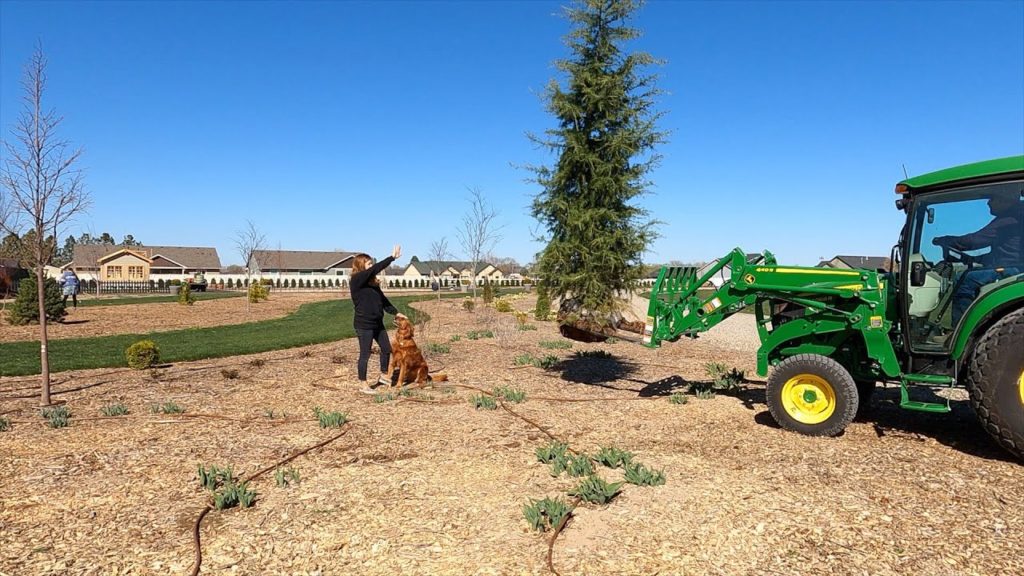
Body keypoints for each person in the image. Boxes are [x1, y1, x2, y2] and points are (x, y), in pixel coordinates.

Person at [932, 192, 1023, 326]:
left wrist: (945, 240)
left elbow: (973, 241)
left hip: (1015, 270)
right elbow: (1005, 254)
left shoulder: (1010, 218)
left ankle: (958, 329)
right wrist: (973, 259)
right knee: (970, 274)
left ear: (1006, 200)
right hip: (1014, 266)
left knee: (964, 279)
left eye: (992, 198)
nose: (988, 203)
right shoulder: (1014, 217)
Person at [349, 245, 405, 394]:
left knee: (386, 349)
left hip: (377, 323)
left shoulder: (373, 284)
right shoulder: (356, 280)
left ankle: (382, 375)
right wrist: (391, 258)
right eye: (368, 264)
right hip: (364, 325)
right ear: (361, 266)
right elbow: (374, 270)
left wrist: (396, 313)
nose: (371, 266)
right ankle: (364, 384)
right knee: (365, 354)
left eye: (371, 264)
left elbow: (383, 301)